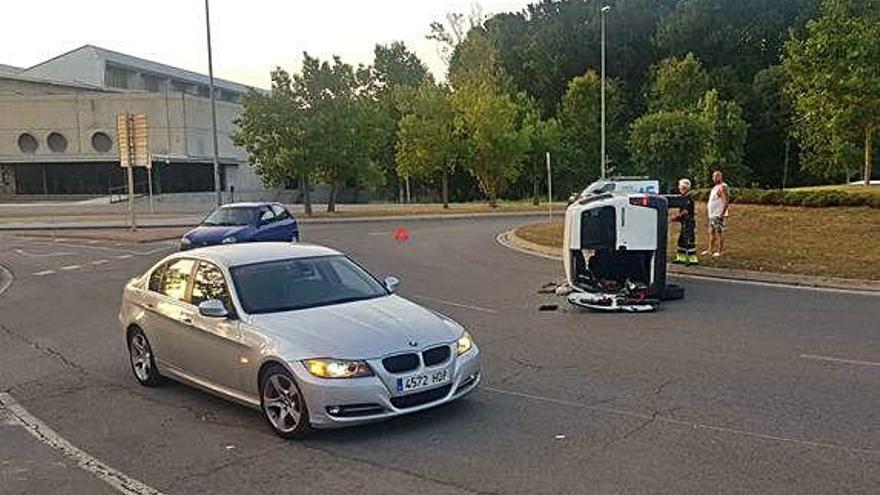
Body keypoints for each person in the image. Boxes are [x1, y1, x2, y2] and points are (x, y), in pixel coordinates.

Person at [671, 178, 698, 265]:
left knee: (689, 241)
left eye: (680, 188)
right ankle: (681, 258)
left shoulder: (688, 198)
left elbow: (686, 211)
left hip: (688, 222)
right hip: (684, 222)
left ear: (685, 187)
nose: (679, 189)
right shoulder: (684, 197)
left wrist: (676, 217)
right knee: (681, 241)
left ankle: (693, 259)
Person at [703, 170, 729, 258]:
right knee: (711, 232)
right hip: (712, 214)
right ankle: (710, 250)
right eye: (713, 176)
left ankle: (720, 251)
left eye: (716, 176)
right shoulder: (715, 187)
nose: (714, 178)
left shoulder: (722, 187)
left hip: (718, 214)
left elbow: (725, 201)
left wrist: (722, 213)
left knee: (719, 232)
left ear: (720, 177)